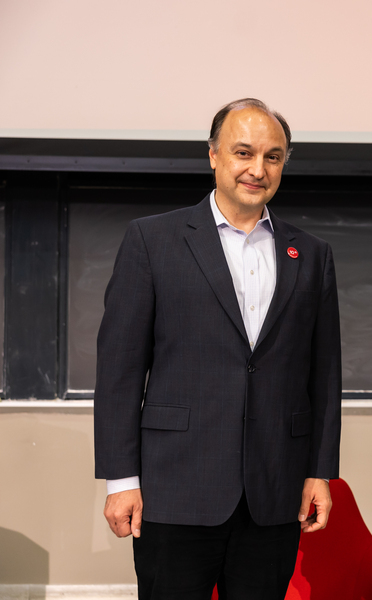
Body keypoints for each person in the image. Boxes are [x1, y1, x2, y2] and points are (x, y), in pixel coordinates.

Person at [94, 98, 341, 599]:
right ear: (213, 155)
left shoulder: (311, 254)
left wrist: (320, 470)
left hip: (274, 491)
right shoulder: (152, 239)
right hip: (174, 490)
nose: (258, 169)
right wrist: (120, 479)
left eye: (273, 157)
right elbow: (119, 370)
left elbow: (325, 374)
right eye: (243, 152)